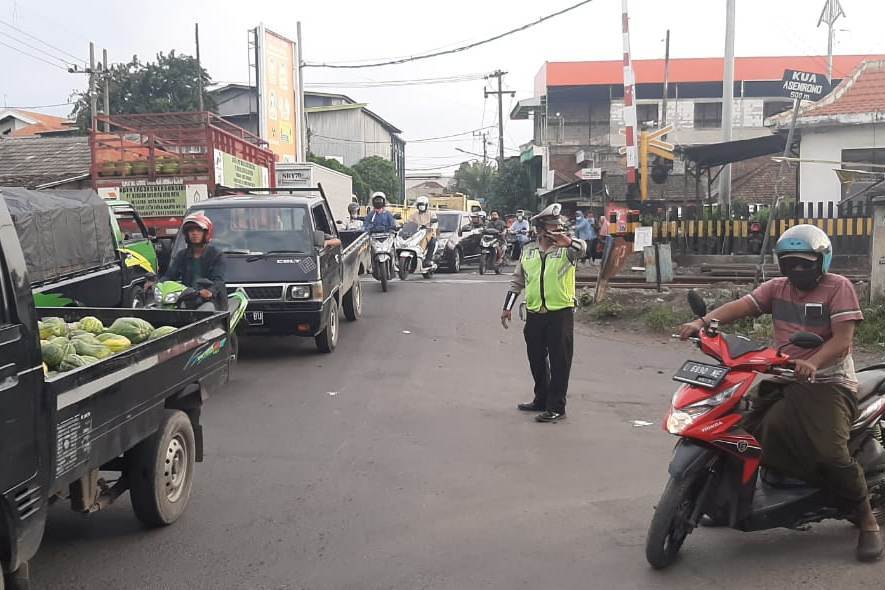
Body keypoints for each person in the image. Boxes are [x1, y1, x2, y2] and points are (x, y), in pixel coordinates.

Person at [677, 224, 881, 562]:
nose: (798, 270)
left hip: (828, 382)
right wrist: (704, 323)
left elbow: (842, 341)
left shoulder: (838, 287)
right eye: (790, 264)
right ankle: (731, 501)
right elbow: (742, 305)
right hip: (784, 377)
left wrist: (814, 363)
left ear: (822, 261)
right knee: (737, 431)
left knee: (830, 454)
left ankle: (865, 520)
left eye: (805, 263)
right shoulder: (777, 288)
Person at [501, 203, 586, 423]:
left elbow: (583, 249)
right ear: (539, 229)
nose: (556, 231)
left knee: (560, 361)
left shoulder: (567, 250)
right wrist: (507, 307)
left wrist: (567, 241)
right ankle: (541, 398)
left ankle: (557, 407)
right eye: (551, 227)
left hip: (560, 313)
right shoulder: (528, 250)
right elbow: (517, 281)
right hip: (534, 313)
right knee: (536, 359)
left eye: (558, 227)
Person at [161, 212, 225, 311]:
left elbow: (218, 280)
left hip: (212, 301)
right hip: (187, 299)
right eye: (191, 230)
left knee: (206, 313)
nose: (194, 233)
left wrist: (210, 291)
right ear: (187, 234)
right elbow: (170, 275)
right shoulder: (182, 255)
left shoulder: (216, 255)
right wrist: (158, 284)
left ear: (206, 233)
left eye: (198, 230)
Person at [408, 195, 437, 271]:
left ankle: (428, 259)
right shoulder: (414, 215)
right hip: (416, 234)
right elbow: (409, 223)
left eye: (423, 205)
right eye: (420, 205)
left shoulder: (431, 214)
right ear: (417, 206)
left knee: (433, 241)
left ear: (426, 205)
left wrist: (430, 227)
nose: (421, 206)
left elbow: (435, 223)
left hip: (428, 233)